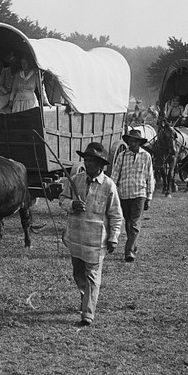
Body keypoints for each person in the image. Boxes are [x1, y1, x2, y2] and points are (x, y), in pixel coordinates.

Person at [58, 142, 123, 327]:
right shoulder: (76, 180)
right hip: (76, 239)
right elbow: (62, 200)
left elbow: (116, 215)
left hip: (96, 241)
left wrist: (113, 238)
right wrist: (72, 205)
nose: (88, 164)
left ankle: (88, 314)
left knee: (92, 276)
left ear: (101, 165)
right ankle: (85, 296)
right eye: (86, 160)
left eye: (92, 162)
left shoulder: (109, 186)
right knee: (78, 274)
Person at [110, 129, 155, 263]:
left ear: (140, 143)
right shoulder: (122, 156)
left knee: (135, 222)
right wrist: (112, 192)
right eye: (130, 141)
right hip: (124, 194)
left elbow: (149, 176)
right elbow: (115, 175)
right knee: (128, 223)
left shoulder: (146, 156)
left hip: (139, 194)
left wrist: (149, 196)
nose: (133, 143)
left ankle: (128, 251)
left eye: (135, 141)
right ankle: (133, 246)